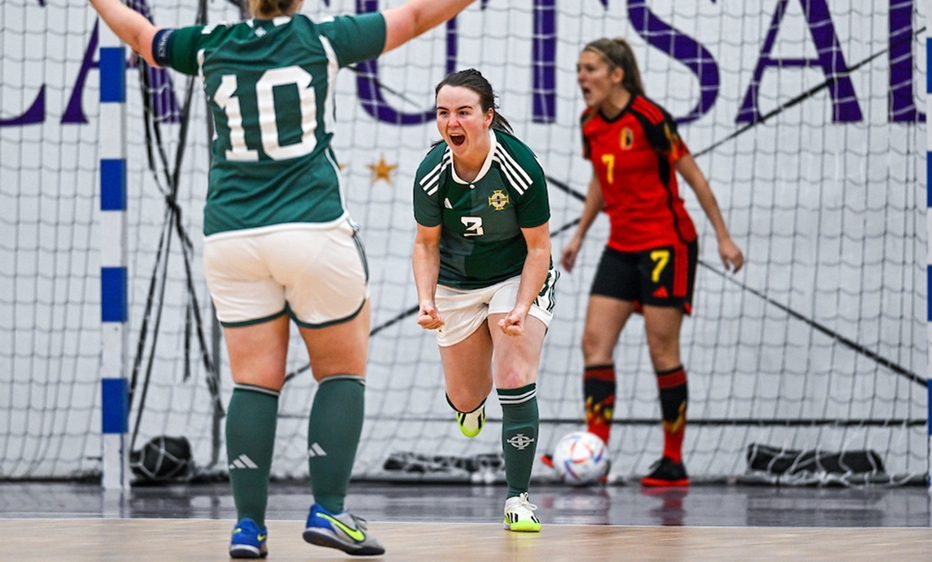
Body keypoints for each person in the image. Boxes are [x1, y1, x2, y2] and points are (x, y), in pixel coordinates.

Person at [86, 0, 475, 557]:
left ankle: (248, 526)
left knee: (253, 382)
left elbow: (142, 35)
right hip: (311, 229)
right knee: (340, 371)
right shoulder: (323, 39)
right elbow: (414, 17)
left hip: (232, 236)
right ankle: (330, 511)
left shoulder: (209, 43)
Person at [557, 38, 744, 487]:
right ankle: (595, 457)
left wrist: (722, 235)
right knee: (593, 344)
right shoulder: (589, 123)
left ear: (616, 74)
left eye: (591, 69)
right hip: (621, 244)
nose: (581, 77)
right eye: (579, 69)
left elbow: (692, 175)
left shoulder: (650, 118)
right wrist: (580, 235)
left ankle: (673, 461)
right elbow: (602, 179)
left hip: (667, 243)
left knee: (662, 350)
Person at [412, 68, 556, 532]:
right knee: (467, 394)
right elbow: (425, 245)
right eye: (443, 113)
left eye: (463, 112)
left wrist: (519, 307)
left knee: (513, 371)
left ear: (487, 117)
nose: (452, 122)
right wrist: (426, 300)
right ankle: (469, 407)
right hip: (457, 283)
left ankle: (518, 498)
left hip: (518, 273)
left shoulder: (518, 166)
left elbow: (539, 248)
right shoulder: (432, 172)